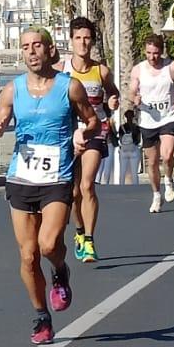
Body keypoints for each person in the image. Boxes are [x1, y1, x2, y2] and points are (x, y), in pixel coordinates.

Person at [0, 27, 100, 346]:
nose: (31, 51)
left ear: (50, 50)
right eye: (25, 47)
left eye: (37, 45)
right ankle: (41, 317)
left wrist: (83, 134)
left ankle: (60, 269)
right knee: (28, 256)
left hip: (57, 177)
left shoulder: (70, 87)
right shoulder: (12, 90)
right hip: (21, 177)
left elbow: (93, 120)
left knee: (48, 245)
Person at [59, 17, 114, 263]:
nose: (83, 43)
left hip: (95, 131)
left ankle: (90, 240)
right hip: (69, 134)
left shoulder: (101, 71)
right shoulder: (62, 70)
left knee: (87, 185)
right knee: (73, 192)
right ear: (71, 40)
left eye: (87, 38)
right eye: (78, 38)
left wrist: (113, 102)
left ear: (93, 41)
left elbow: (113, 94)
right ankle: (80, 232)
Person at [127, 34, 174, 214]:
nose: (152, 57)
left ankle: (168, 180)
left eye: (155, 53)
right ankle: (156, 194)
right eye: (148, 53)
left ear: (161, 51)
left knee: (167, 155)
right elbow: (131, 90)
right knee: (152, 162)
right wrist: (135, 98)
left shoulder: (172, 67)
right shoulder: (138, 70)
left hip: (169, 116)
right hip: (148, 119)